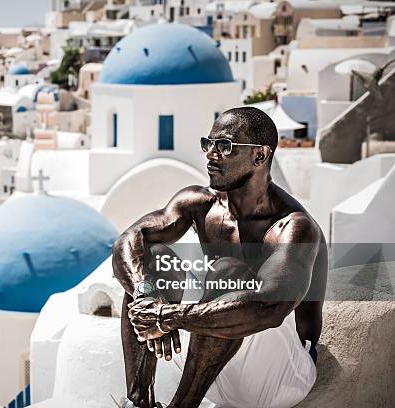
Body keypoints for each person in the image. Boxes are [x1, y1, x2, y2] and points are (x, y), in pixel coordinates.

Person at [112, 107, 328, 408]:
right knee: (150, 262)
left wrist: (166, 317)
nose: (211, 154)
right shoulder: (200, 202)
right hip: (211, 361)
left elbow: (270, 309)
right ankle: (138, 401)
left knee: (229, 272)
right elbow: (128, 240)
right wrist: (146, 297)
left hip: (278, 378)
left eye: (224, 146)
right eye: (207, 144)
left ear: (260, 155)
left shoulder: (293, 226)